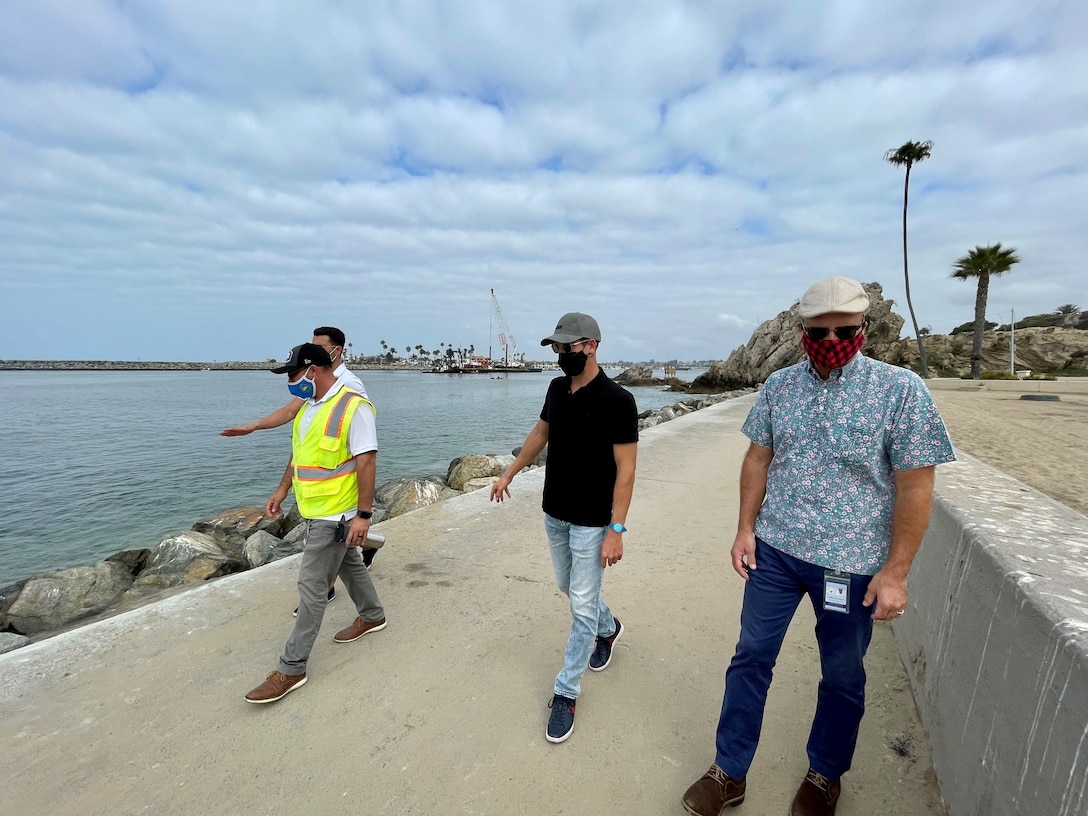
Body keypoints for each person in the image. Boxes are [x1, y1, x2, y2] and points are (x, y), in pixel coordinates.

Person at [681, 277, 956, 816]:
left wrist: (895, 572)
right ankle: (728, 771)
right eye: (818, 330)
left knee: (842, 675)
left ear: (865, 329)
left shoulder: (900, 391)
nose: (831, 339)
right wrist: (744, 529)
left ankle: (825, 774)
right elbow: (758, 459)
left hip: (850, 565)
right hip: (776, 553)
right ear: (801, 329)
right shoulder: (779, 387)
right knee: (751, 658)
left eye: (844, 329)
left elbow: (916, 485)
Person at [489, 312, 638, 744]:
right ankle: (608, 628)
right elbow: (541, 433)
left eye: (567, 348)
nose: (560, 355)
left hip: (593, 521)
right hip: (554, 511)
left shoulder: (618, 400)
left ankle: (566, 691)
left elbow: (626, 471)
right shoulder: (556, 388)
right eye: (556, 348)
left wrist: (617, 530)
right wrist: (510, 472)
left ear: (590, 345)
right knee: (568, 586)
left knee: (579, 605)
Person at [244, 342, 387, 704]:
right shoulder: (309, 407)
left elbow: (367, 462)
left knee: (311, 589)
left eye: (292, 374)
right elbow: (301, 456)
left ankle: (291, 667)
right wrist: (281, 490)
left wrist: (363, 516)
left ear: (313, 370)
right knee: (350, 565)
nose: (289, 382)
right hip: (314, 511)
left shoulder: (354, 407)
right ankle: (372, 615)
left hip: (337, 515)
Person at [222, 327, 379, 582]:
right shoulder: (312, 387)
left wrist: (364, 513)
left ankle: (324, 589)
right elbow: (294, 423)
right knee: (344, 555)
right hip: (316, 494)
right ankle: (368, 604)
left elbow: (363, 450)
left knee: (319, 567)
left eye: (320, 347)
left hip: (335, 495)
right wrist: (253, 427)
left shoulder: (347, 386)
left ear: (336, 351)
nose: (314, 350)